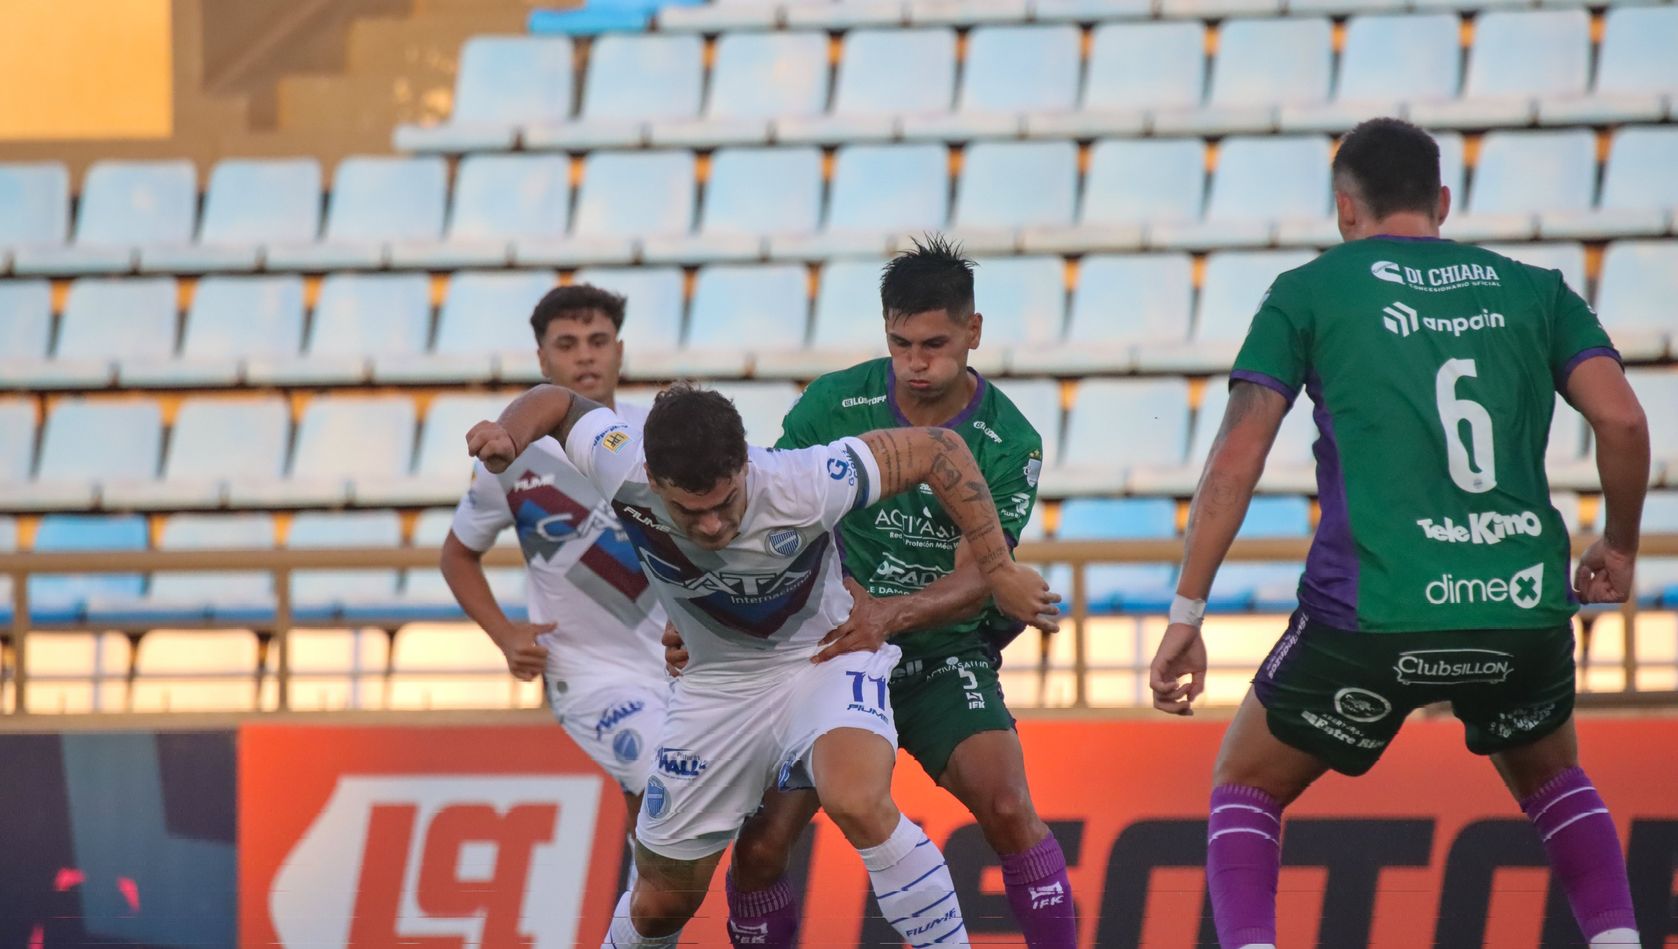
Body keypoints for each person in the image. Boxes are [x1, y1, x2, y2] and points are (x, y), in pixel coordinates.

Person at [1147, 117, 1648, 949]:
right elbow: (1624, 422)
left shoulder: (1310, 290)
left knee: (1244, 783)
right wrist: (1620, 544)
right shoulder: (1537, 288)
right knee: (1556, 779)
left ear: (1347, 211)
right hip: (1519, 604)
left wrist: (1188, 612)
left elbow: (1237, 456)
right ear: (1443, 201)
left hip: (1366, 616)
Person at [467, 380, 1059, 949]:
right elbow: (559, 403)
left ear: (744, 468)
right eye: (689, 512)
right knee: (661, 901)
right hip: (715, 689)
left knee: (857, 799)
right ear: (650, 478)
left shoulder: (805, 482)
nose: (713, 526)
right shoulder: (618, 460)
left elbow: (939, 448)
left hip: (822, 660)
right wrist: (509, 433)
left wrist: (1000, 571)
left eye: (726, 503)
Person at [670, 235, 1076, 948]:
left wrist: (887, 614)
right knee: (762, 846)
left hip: (938, 652)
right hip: (825, 649)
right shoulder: (834, 401)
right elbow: (766, 514)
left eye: (935, 343)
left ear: (973, 332)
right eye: (901, 343)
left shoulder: (1009, 437)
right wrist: (711, 616)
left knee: (1010, 804)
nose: (917, 362)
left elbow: (984, 570)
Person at [439, 284, 670, 857]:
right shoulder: (510, 458)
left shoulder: (659, 437)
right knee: (663, 786)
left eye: (598, 341)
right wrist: (506, 634)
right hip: (586, 672)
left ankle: (645, 932)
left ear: (620, 350)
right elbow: (456, 554)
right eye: (567, 344)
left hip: (679, 661)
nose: (585, 355)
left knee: (661, 821)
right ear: (543, 360)